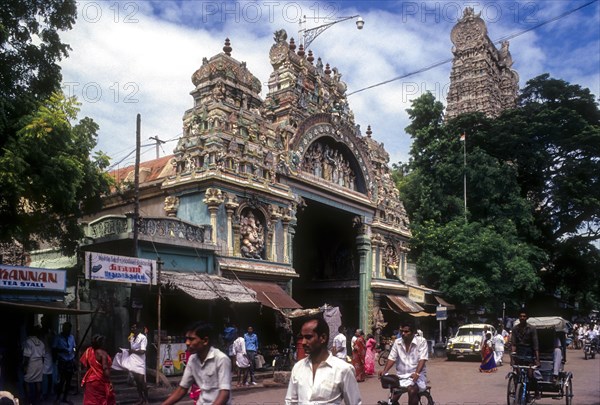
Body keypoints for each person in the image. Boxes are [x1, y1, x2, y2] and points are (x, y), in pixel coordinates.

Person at [285, 314, 362, 405]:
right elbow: (291, 401)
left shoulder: (343, 369)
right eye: (302, 337)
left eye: (308, 337)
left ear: (323, 338)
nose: (303, 342)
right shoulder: (298, 368)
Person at [161, 321, 231, 405]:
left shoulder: (221, 359)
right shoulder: (192, 359)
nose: (187, 343)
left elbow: (224, 394)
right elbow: (182, 389)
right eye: (186, 339)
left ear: (205, 341)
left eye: (191, 339)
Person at [379, 321, 428, 405]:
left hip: (417, 376)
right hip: (401, 376)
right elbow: (391, 358)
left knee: (411, 390)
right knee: (392, 399)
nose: (403, 333)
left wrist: (417, 373)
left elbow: (422, 359)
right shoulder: (397, 342)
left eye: (406, 331)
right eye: (401, 331)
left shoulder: (421, 341)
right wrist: (384, 371)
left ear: (413, 332)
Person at [112, 323, 148, 404]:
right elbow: (132, 348)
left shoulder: (143, 337)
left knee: (142, 381)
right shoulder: (131, 337)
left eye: (134, 328)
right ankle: (141, 399)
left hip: (140, 361)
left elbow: (143, 351)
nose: (133, 329)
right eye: (132, 328)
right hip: (133, 360)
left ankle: (146, 400)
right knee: (137, 382)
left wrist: (133, 351)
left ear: (139, 329)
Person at [510, 310, 540, 397]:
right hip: (519, 353)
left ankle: (535, 390)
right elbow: (513, 344)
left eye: (524, 316)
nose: (522, 318)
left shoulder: (532, 329)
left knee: (530, 375)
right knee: (517, 375)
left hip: (529, 353)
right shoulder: (515, 329)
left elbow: (535, 345)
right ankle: (517, 392)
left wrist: (537, 359)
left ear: (527, 318)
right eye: (520, 316)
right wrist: (512, 359)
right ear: (519, 317)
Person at [80, 334, 116, 405]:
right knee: (102, 400)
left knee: (91, 401)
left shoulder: (88, 351)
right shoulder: (103, 354)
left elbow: (85, 365)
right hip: (100, 381)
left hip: (90, 381)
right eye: (104, 342)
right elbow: (105, 368)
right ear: (101, 343)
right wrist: (110, 381)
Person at [52, 321, 76, 405]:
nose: (68, 331)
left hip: (70, 360)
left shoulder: (72, 337)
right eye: (66, 329)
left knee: (68, 381)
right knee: (61, 381)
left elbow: (74, 347)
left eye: (69, 329)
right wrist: (62, 350)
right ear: (63, 329)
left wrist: (74, 352)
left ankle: (65, 398)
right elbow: (54, 349)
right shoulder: (58, 337)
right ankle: (58, 398)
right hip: (62, 360)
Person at [23, 325, 45, 405]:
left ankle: (28, 401)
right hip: (39, 364)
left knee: (26, 381)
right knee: (38, 381)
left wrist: (25, 366)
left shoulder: (28, 341)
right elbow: (43, 357)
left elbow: (26, 356)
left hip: (31, 364)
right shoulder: (42, 343)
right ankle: (37, 400)